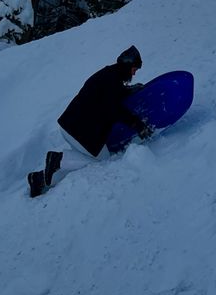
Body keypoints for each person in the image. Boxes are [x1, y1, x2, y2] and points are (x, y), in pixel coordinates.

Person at [27, 45, 152, 198]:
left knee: (88, 158)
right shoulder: (112, 79)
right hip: (78, 130)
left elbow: (111, 95)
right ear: (127, 65)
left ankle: (38, 179)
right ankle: (58, 159)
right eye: (134, 68)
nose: (134, 72)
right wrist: (137, 125)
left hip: (72, 126)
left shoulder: (111, 75)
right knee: (101, 160)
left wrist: (130, 90)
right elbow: (113, 109)